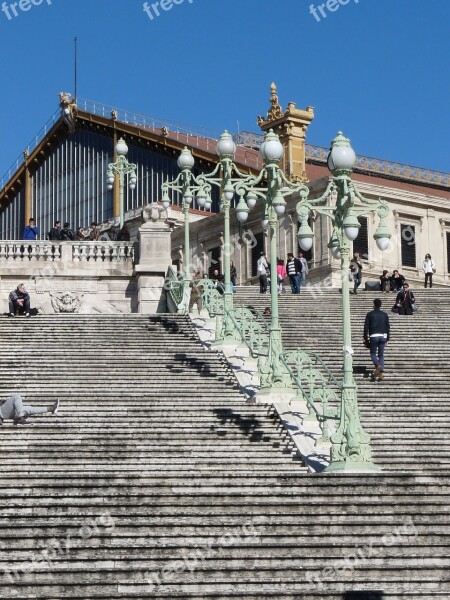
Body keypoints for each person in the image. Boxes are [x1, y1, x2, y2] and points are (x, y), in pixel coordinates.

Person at [364, 298, 390, 381]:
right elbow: (387, 327)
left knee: (372, 353)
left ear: (374, 304)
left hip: (374, 336)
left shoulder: (370, 314)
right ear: (380, 305)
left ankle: (378, 365)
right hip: (383, 336)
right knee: (381, 355)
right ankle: (381, 373)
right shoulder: (384, 315)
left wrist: (366, 338)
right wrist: (387, 339)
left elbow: (366, 327)